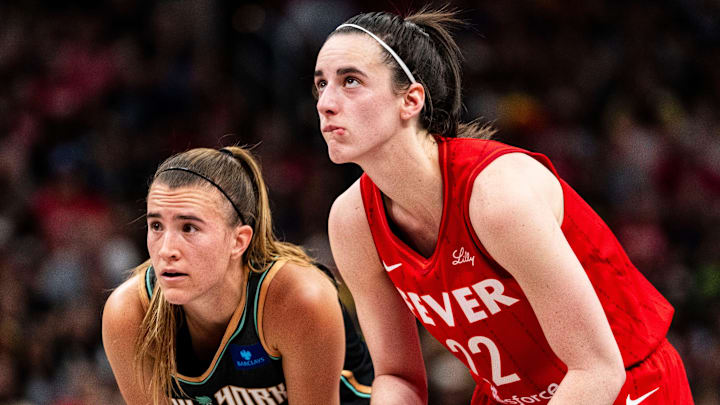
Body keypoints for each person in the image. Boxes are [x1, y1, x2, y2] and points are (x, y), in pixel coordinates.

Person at [313, 8, 693, 405]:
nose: (326, 103)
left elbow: (597, 369)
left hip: (626, 385)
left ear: (410, 100)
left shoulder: (497, 197)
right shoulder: (351, 221)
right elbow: (398, 376)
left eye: (350, 81)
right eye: (320, 85)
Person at [102, 146, 373, 405]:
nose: (166, 250)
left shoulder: (298, 299)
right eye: (157, 225)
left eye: (189, 228)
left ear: (238, 241)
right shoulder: (128, 314)